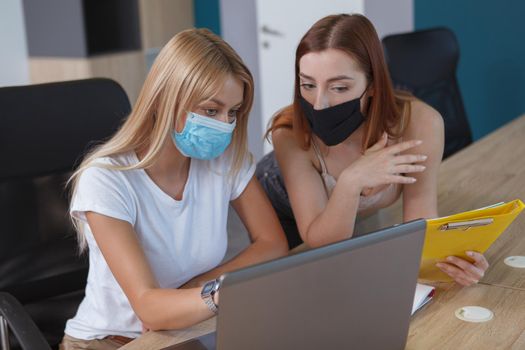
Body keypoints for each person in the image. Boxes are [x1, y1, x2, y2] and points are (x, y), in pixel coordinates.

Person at [60, 28, 288, 350]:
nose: (224, 124)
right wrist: (219, 293)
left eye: (232, 112)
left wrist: (200, 287)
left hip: (180, 332)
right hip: (110, 342)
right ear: (167, 99)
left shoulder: (224, 161)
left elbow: (272, 243)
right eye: (211, 110)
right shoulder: (106, 179)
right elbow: (150, 308)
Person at [256, 14, 488, 287]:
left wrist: (456, 263)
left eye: (340, 87)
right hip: (279, 202)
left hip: (346, 216)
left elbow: (419, 221)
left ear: (373, 85)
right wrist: (352, 180)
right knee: (297, 288)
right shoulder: (290, 132)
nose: (319, 104)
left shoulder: (421, 123)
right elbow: (318, 240)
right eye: (307, 84)